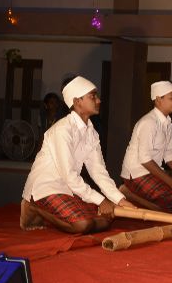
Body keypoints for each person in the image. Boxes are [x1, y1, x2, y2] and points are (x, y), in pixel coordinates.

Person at [20, 76, 136, 233]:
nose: (98, 100)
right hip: (45, 186)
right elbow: (69, 175)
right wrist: (101, 200)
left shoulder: (91, 133)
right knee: (83, 225)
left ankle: (56, 212)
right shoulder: (62, 130)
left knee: (105, 220)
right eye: (92, 96)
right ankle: (33, 206)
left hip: (69, 187)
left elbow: (98, 172)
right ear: (77, 102)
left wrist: (120, 199)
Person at [120, 81, 172, 213]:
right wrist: (171, 182)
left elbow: (169, 155)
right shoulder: (149, 123)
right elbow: (145, 160)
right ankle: (129, 193)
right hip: (136, 174)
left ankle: (137, 196)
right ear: (158, 100)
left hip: (151, 172)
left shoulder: (167, 123)